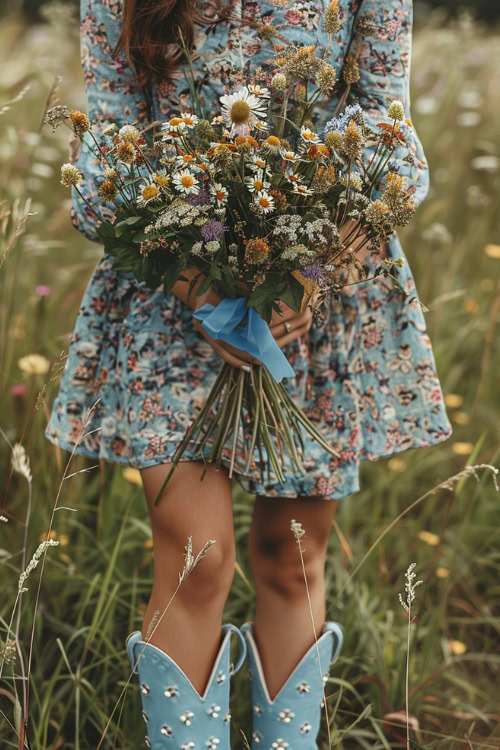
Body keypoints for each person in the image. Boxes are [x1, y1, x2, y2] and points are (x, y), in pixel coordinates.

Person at [45, 0, 453, 746]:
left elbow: (381, 121)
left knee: (290, 557)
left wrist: (315, 273)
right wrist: (198, 288)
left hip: (322, 288)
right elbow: (110, 136)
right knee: (198, 559)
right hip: (169, 287)